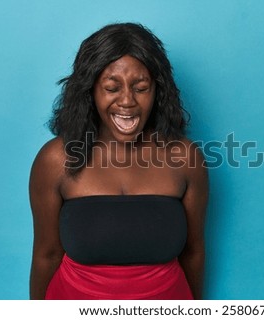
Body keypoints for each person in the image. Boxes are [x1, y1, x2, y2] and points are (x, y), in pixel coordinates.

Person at [29, 23, 208, 300]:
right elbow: (47, 254)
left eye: (141, 88)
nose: (127, 101)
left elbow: (193, 253)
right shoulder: (55, 159)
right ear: (90, 92)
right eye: (112, 87)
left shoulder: (185, 157)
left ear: (158, 92)